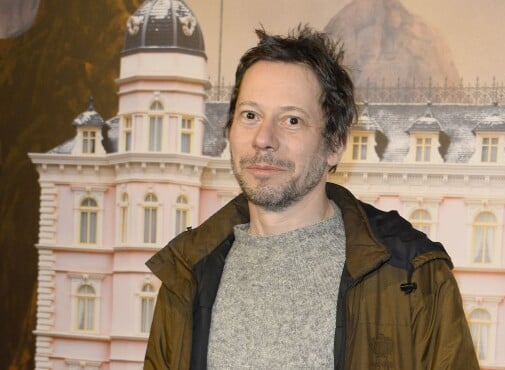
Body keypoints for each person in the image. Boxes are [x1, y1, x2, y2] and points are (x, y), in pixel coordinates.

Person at [144, 25, 479, 370]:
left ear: (335, 144)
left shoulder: (414, 275)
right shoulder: (185, 272)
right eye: (250, 115)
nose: (263, 139)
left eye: (292, 120)